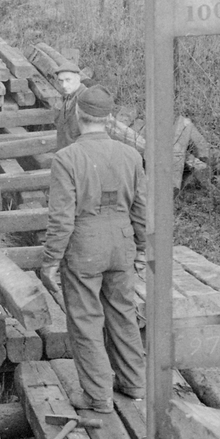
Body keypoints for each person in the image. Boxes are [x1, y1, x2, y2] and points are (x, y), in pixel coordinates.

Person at [39, 85, 148, 413]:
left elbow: (61, 218)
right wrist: (142, 249)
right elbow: (141, 210)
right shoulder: (131, 156)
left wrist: (50, 260)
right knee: (123, 313)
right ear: (109, 118)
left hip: (85, 248)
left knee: (86, 320)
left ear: (77, 114)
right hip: (122, 244)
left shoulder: (67, 158)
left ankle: (97, 396)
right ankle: (133, 382)